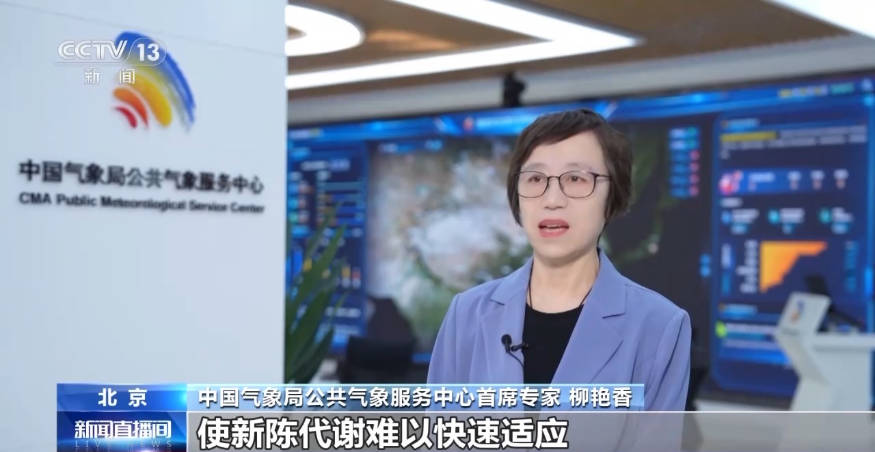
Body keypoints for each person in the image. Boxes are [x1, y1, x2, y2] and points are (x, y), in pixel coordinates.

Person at [427, 109, 691, 411]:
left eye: (576, 179)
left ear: (612, 196)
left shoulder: (660, 327)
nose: (552, 200)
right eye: (535, 178)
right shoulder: (466, 315)